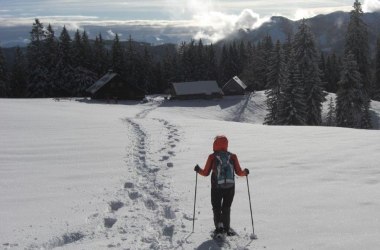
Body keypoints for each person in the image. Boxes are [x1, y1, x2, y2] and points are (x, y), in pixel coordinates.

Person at [194, 135, 249, 236]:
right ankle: (226, 228)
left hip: (216, 187)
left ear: (215, 144)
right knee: (226, 207)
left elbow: (206, 173)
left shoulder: (212, 157)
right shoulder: (233, 156)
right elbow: (239, 172)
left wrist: (198, 170)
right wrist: (245, 172)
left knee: (216, 207)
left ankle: (219, 227)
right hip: (230, 187)